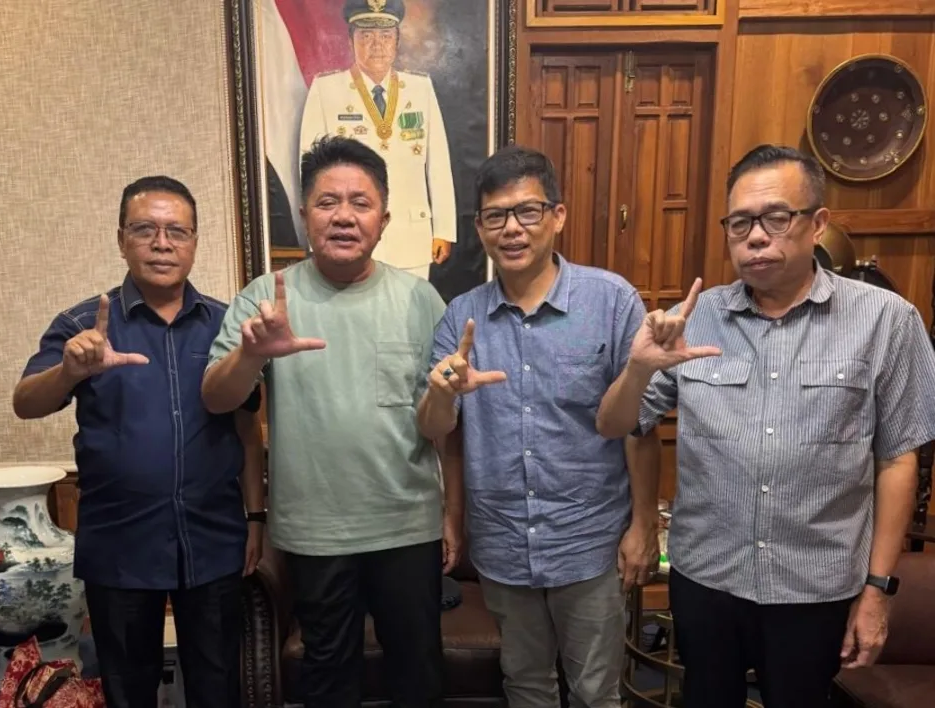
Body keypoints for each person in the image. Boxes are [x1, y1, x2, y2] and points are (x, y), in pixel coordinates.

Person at [596, 144, 935, 708]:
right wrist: (637, 369)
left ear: (817, 223)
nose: (755, 237)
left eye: (776, 218)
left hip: (816, 585)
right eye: (740, 223)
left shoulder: (885, 321)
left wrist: (878, 589)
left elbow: (898, 459)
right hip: (707, 578)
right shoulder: (694, 318)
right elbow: (615, 425)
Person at [201, 135, 458, 708]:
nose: (344, 216)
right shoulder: (266, 298)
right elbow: (217, 400)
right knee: (327, 677)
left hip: (407, 525)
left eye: (360, 203)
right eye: (327, 202)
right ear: (303, 215)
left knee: (418, 674)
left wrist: (452, 514)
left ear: (383, 220)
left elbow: (443, 428)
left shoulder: (421, 300)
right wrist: (251, 354)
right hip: (315, 532)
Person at [417, 145, 660, 708]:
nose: (512, 229)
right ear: (480, 228)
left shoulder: (611, 301)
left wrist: (643, 525)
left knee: (596, 691)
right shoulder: (461, 317)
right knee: (526, 685)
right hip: (502, 542)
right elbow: (438, 432)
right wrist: (442, 393)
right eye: (495, 216)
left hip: (589, 540)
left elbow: (639, 427)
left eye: (527, 211)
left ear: (558, 215)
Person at [12, 176, 265, 708]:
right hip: (119, 547)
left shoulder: (226, 324)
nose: (162, 243)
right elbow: (26, 402)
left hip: (213, 540)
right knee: (127, 690)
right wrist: (69, 371)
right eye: (145, 229)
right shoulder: (83, 324)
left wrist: (256, 518)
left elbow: (246, 428)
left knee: (218, 687)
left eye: (177, 231)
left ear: (194, 241)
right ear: (121, 239)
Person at [299, 0, 456, 279]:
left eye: (385, 36)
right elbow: (311, 171)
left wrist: (443, 229)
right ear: (350, 41)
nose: (377, 45)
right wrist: (317, 235)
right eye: (366, 36)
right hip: (348, 234)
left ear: (397, 41)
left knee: (410, 307)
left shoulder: (419, 88)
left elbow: (438, 164)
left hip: (411, 235)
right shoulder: (326, 90)